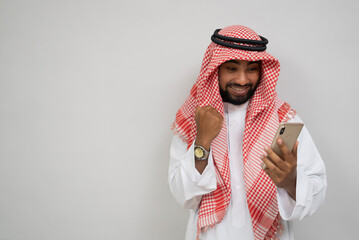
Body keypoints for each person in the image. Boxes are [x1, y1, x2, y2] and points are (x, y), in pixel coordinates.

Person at [168, 25, 327, 240]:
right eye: (232, 68)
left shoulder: (285, 120)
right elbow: (183, 196)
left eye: (251, 69)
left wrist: (291, 181)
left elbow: (317, 190)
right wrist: (203, 141)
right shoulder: (193, 118)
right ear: (215, 69)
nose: (243, 80)